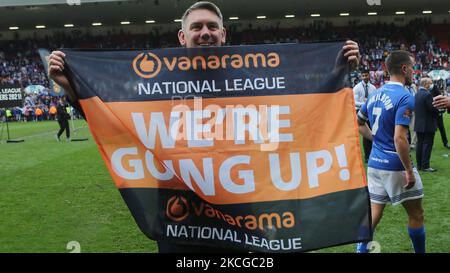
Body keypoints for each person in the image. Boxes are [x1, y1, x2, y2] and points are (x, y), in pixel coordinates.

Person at [48, 1, 361, 253]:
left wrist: (334, 72)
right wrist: (71, 87)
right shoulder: (154, 83)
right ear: (183, 37)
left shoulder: (256, 81)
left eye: (212, 26)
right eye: (196, 27)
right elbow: (113, 120)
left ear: (223, 35)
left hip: (241, 221)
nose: (205, 32)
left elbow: (295, 124)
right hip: (180, 221)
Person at [356, 50, 425, 253]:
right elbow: (399, 138)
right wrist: (409, 171)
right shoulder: (405, 96)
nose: (414, 71)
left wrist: (376, 139)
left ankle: (360, 251)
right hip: (396, 165)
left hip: (375, 163)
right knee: (416, 214)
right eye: (412, 67)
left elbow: (359, 124)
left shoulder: (375, 93)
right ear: (404, 69)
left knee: (374, 215)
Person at [414, 77, 439, 172]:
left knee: (420, 144)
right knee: (427, 144)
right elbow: (432, 108)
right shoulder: (427, 94)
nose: (431, 85)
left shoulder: (417, 94)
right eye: (430, 83)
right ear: (426, 84)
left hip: (419, 124)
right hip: (427, 124)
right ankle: (425, 165)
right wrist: (439, 110)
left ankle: (419, 164)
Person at [353, 69, 377, 162]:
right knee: (366, 136)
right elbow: (354, 102)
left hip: (370, 113)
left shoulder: (373, 88)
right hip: (360, 113)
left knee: (372, 133)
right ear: (361, 77)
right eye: (363, 76)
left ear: (369, 76)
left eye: (366, 75)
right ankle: (367, 156)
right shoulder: (357, 88)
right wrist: (365, 105)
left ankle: (372, 154)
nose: (364, 77)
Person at [430, 83, 450, 149]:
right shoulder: (426, 90)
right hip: (434, 112)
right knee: (434, 129)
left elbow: (439, 97)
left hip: (437, 112)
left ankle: (445, 143)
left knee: (440, 128)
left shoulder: (433, 87)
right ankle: (445, 143)